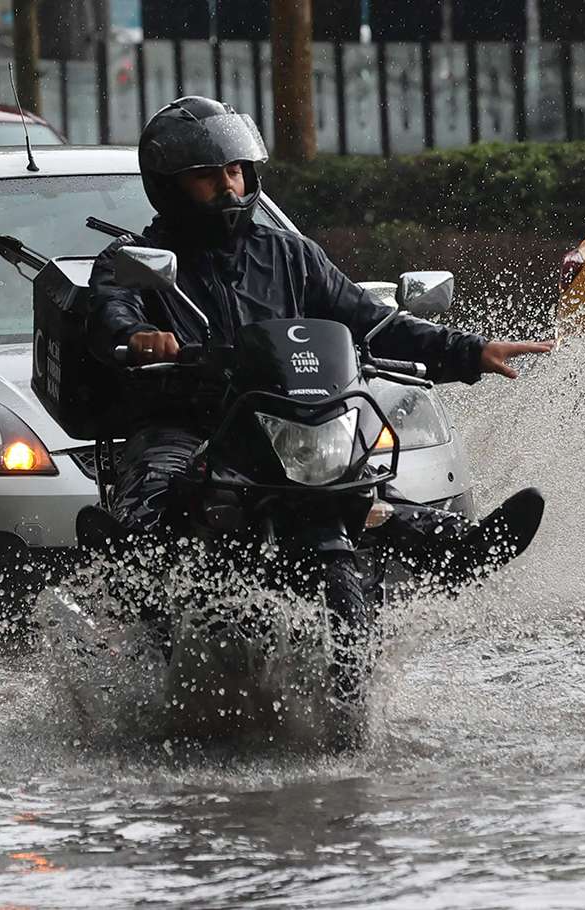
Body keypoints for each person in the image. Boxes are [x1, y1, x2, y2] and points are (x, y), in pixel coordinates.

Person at [85, 96, 552, 585]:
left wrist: (470, 350)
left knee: (361, 488)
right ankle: (124, 575)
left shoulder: (291, 254)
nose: (227, 184)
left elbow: (369, 320)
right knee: (156, 493)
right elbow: (111, 311)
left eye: (235, 170)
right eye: (207, 175)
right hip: (184, 420)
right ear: (169, 185)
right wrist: (138, 337)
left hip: (281, 418)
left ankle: (462, 548)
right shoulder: (137, 258)